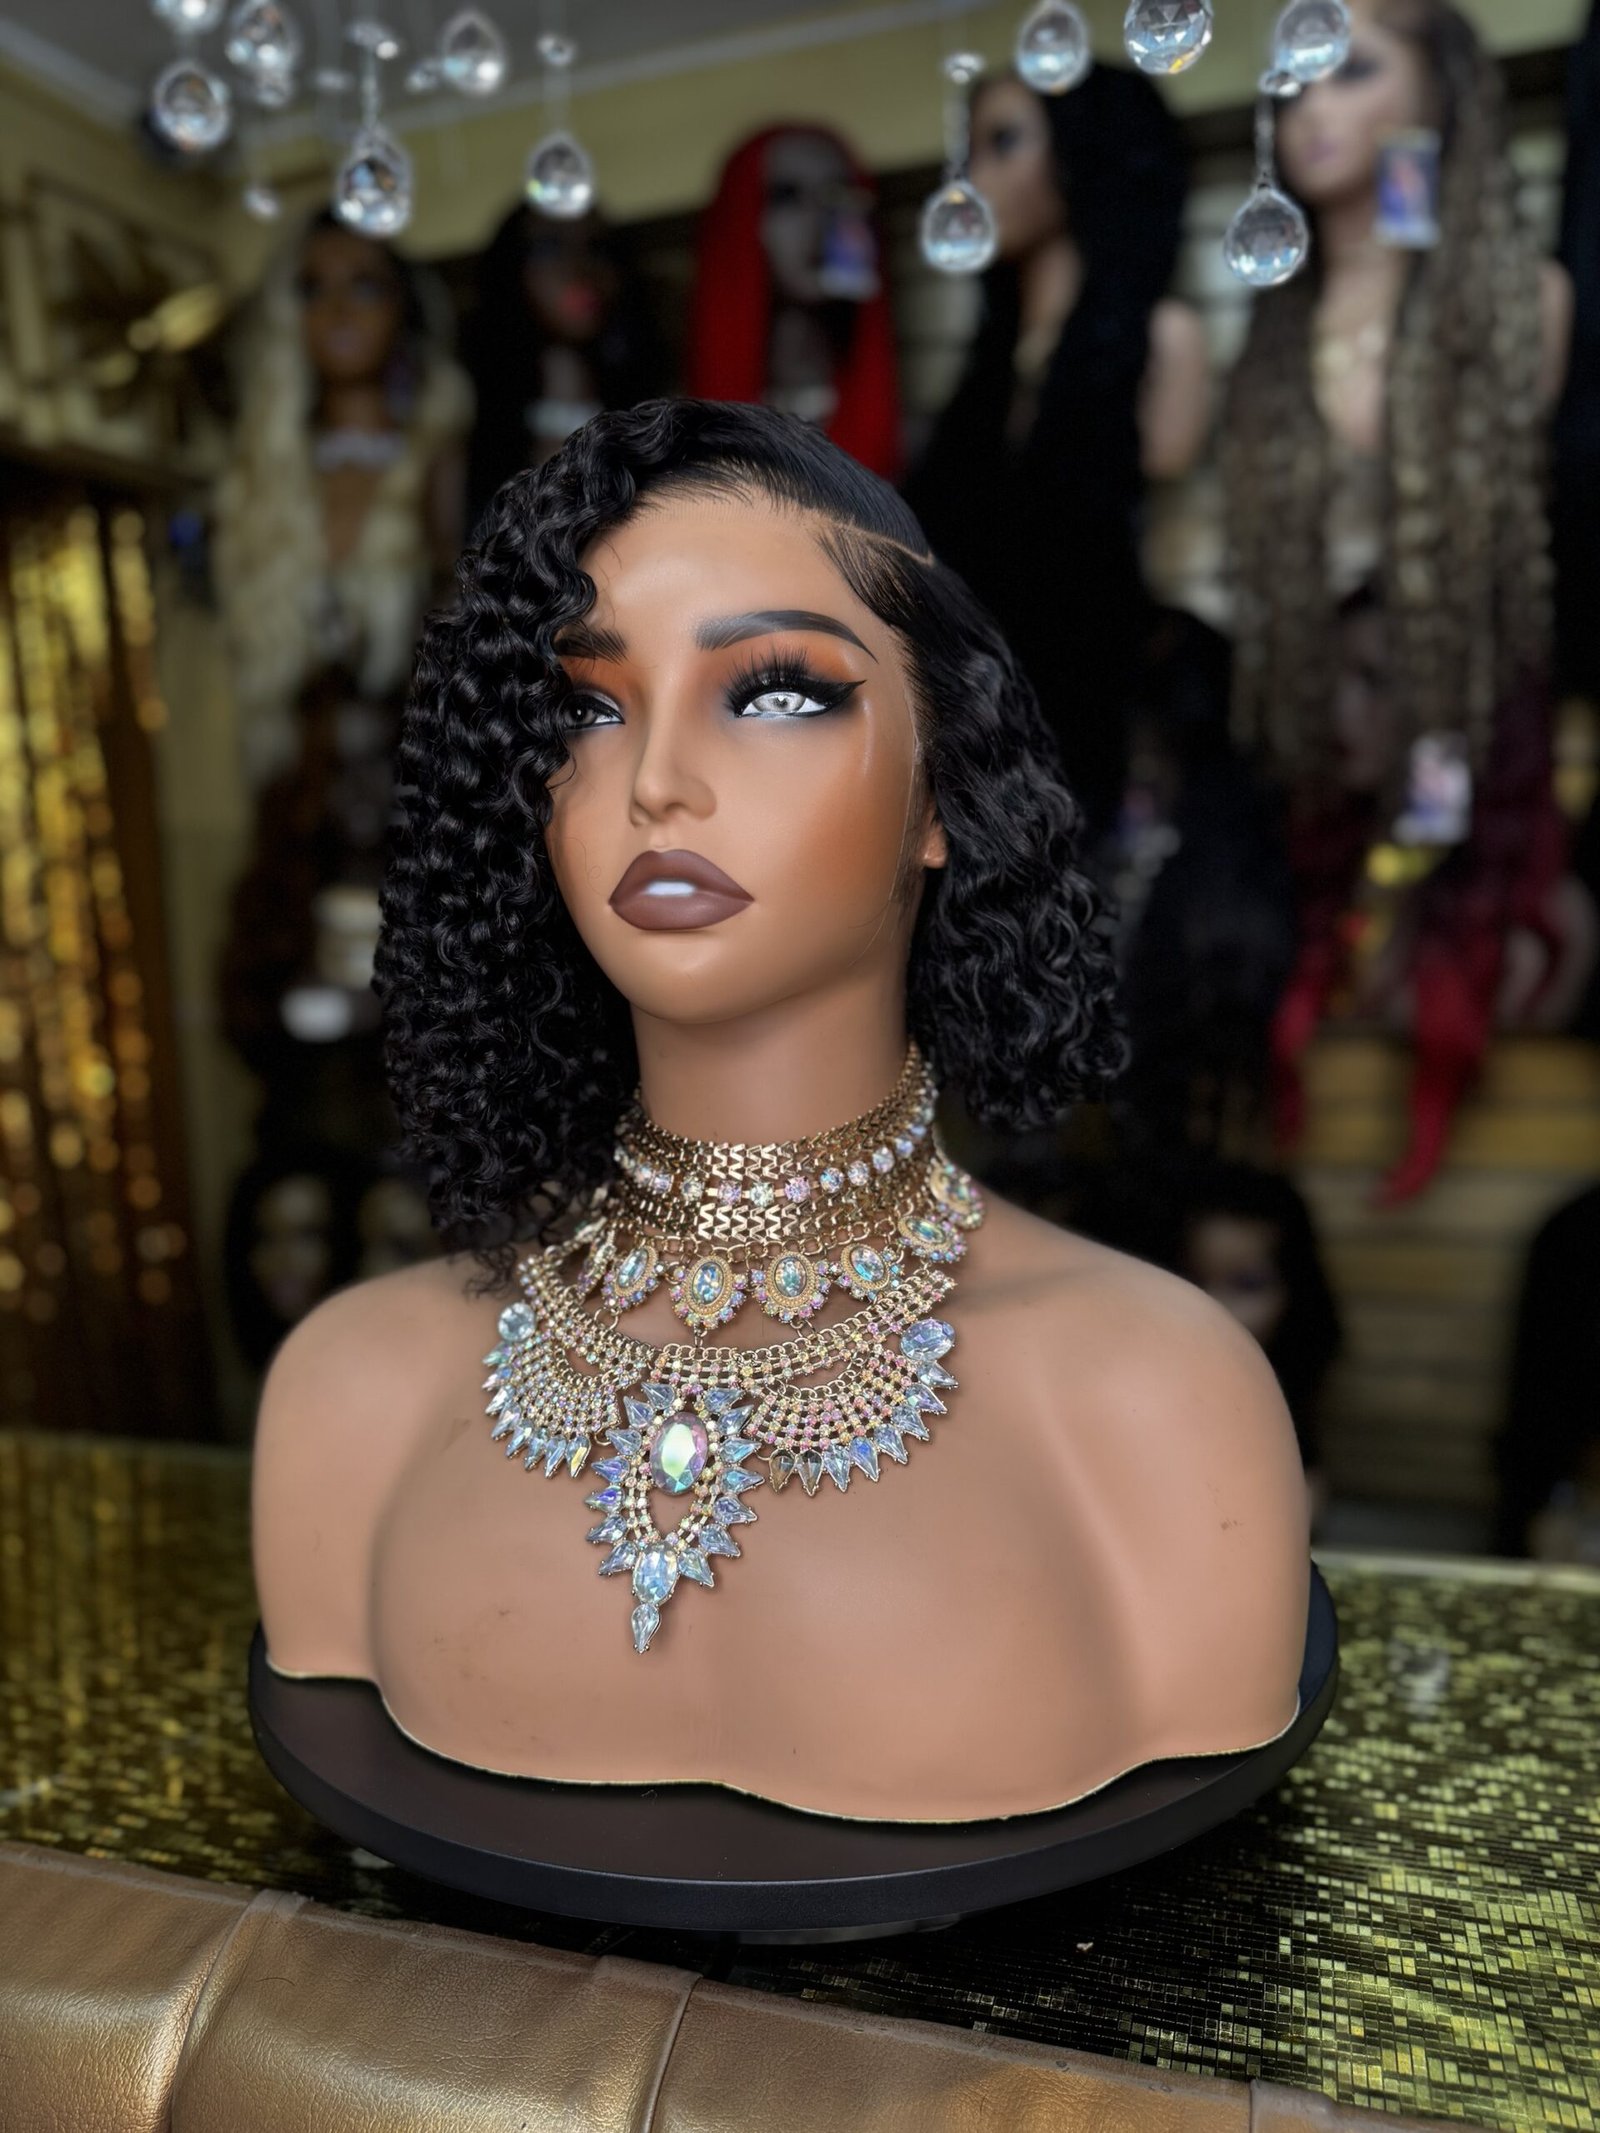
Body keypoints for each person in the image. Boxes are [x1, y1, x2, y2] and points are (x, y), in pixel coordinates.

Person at [252, 400, 1310, 1825]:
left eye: (774, 694)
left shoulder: (1161, 1407)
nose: (657, 783)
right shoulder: (352, 1395)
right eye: (588, 707)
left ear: (942, 789)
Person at [1222, 0, 1577, 1204]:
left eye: (1351, 72)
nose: (1309, 110)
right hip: (1311, 752)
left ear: (1437, 90)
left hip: (1465, 722)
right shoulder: (1275, 324)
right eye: (1292, 86)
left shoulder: (1520, 305)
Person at [905, 64, 1208, 828]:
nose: (973, 180)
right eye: (969, 151)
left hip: (1091, 743)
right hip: (968, 754)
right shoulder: (984, 376)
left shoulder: (1160, 342)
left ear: (1082, 151)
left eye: (1004, 142)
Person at [686, 127, 901, 478]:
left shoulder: (908, 435)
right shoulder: (682, 439)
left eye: (836, 193)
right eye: (786, 197)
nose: (819, 218)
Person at [464, 203, 663, 532]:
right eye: (548, 248)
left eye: (598, 249)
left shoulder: (659, 421)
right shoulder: (465, 436)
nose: (578, 269)